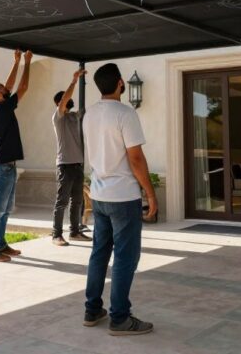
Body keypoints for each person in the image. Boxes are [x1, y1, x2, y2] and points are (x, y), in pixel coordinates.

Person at [82, 63, 157, 336]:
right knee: (125, 257)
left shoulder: (89, 114)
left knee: (99, 253)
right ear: (121, 83)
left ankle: (92, 310)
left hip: (99, 195)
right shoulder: (125, 113)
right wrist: (150, 193)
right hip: (123, 197)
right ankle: (120, 318)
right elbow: (135, 158)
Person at [0, 48, 32, 263]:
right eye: (4, 89)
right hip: (2, 166)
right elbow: (22, 87)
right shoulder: (0, 110)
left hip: (8, 165)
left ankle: (0, 244)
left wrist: (17, 61)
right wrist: (27, 63)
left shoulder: (1, 107)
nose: (7, 89)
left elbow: (11, 86)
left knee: (5, 209)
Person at [51, 68, 91, 246]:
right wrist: (74, 81)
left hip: (78, 165)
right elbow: (64, 101)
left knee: (78, 201)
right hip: (65, 165)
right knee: (62, 202)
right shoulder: (57, 118)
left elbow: (86, 111)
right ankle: (56, 235)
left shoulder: (75, 117)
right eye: (64, 100)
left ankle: (75, 232)